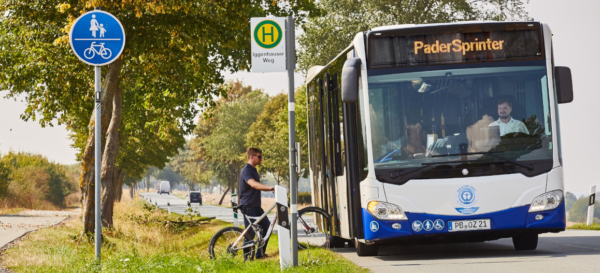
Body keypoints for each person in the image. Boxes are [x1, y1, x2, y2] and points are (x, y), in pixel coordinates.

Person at [239, 147, 274, 261]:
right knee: (250, 233)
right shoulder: (247, 170)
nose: (261, 159)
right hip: (248, 206)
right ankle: (247, 259)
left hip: (256, 206)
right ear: (251, 156)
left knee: (267, 227)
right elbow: (253, 184)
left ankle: (260, 254)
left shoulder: (253, 170)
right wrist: (269, 188)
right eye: (259, 156)